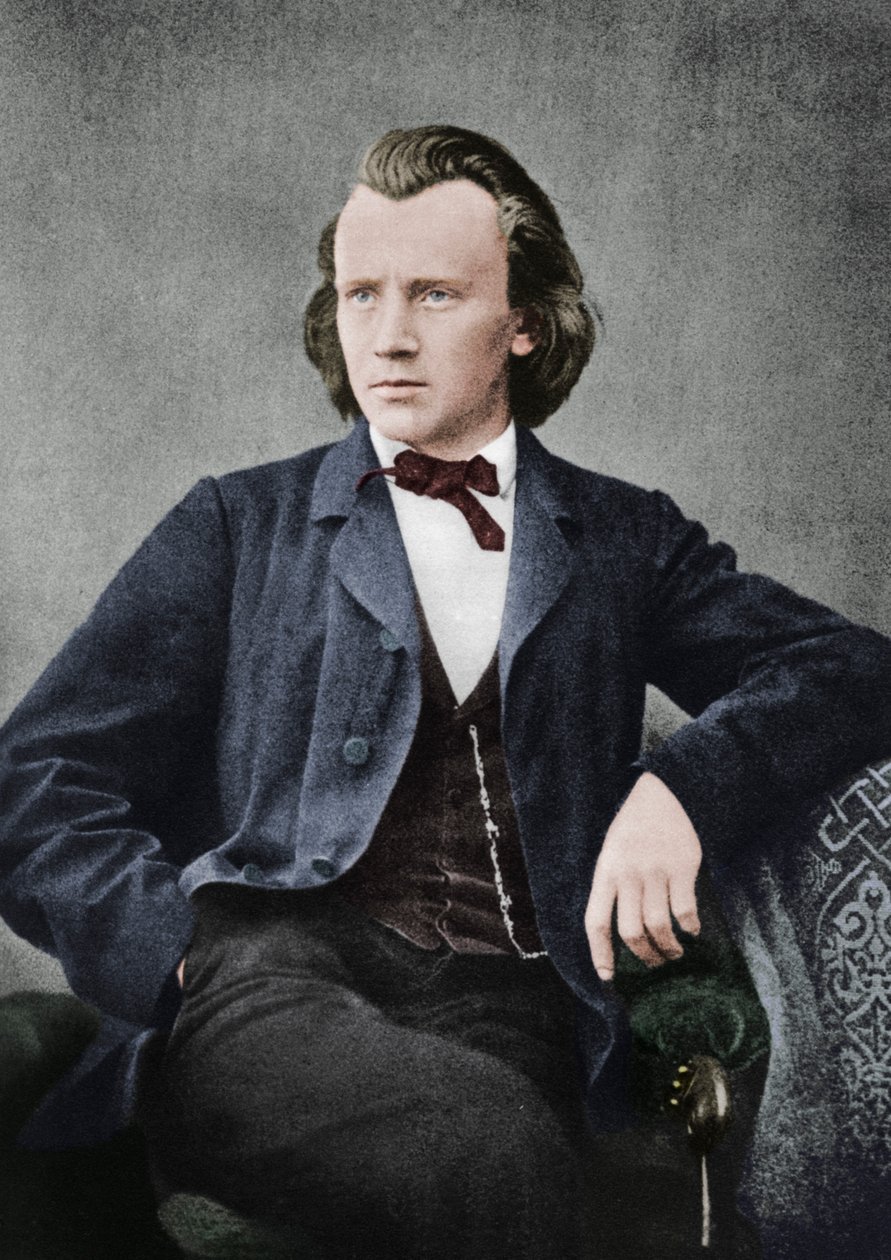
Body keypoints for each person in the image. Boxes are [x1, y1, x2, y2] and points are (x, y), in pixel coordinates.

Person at [0, 125, 888, 1259]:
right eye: (360, 294)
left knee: (521, 1149)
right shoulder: (237, 523)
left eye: (433, 294)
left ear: (524, 323)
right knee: (485, 1153)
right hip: (266, 987)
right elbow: (36, 777)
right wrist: (173, 952)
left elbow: (848, 667)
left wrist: (679, 792)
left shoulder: (623, 539)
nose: (389, 336)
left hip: (516, 999)